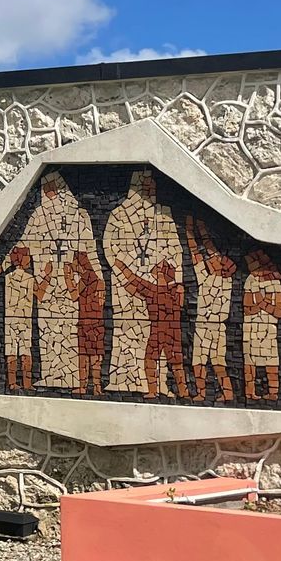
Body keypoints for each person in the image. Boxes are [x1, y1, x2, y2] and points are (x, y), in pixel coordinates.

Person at [102, 169, 183, 395]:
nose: (150, 190)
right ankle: (125, 378)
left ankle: (159, 385)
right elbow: (109, 248)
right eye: (145, 186)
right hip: (126, 287)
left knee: (162, 339)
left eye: (152, 187)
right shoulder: (118, 215)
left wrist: (176, 281)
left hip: (160, 285)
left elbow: (175, 249)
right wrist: (124, 275)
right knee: (128, 330)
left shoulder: (163, 215)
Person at [19, 170, 99, 389]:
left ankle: (72, 377)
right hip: (46, 282)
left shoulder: (79, 215)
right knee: (47, 330)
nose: (49, 193)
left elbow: (89, 248)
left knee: (70, 330)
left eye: (53, 188)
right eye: (47, 189)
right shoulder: (38, 215)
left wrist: (96, 278)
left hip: (70, 282)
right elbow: (24, 243)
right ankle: (51, 375)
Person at [115, 259, 190, 401]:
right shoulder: (170, 289)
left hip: (167, 329)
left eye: (159, 267)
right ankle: (178, 391)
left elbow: (133, 280)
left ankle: (168, 390)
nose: (156, 268)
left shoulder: (158, 290)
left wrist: (121, 266)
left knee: (166, 361)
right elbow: (133, 285)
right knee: (160, 361)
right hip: (166, 329)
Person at [183, 213, 238, 402]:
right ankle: (202, 392)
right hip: (203, 325)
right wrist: (196, 229)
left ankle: (227, 393)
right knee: (198, 361)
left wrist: (195, 229)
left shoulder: (222, 281)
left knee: (217, 362)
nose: (213, 260)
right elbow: (198, 253)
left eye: (218, 261)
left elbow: (203, 254)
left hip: (215, 326)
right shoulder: (207, 277)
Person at [241, 248, 281, 402]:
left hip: (268, 328)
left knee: (271, 361)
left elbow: (279, 311)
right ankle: (249, 392)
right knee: (249, 361)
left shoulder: (275, 284)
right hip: (251, 328)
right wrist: (263, 304)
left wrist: (261, 303)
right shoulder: (250, 281)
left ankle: (273, 392)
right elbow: (248, 309)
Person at [66, 250, 108, 396]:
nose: (72, 265)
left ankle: (85, 386)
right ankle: (96, 387)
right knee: (94, 355)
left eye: (74, 262)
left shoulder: (87, 276)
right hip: (96, 322)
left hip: (87, 323)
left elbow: (74, 295)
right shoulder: (97, 279)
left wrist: (68, 277)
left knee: (85, 356)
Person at [0, 245, 37, 391]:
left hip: (10, 319)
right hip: (24, 319)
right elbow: (35, 295)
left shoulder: (8, 278)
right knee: (26, 352)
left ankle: (12, 382)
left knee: (11, 352)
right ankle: (27, 383)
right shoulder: (29, 278)